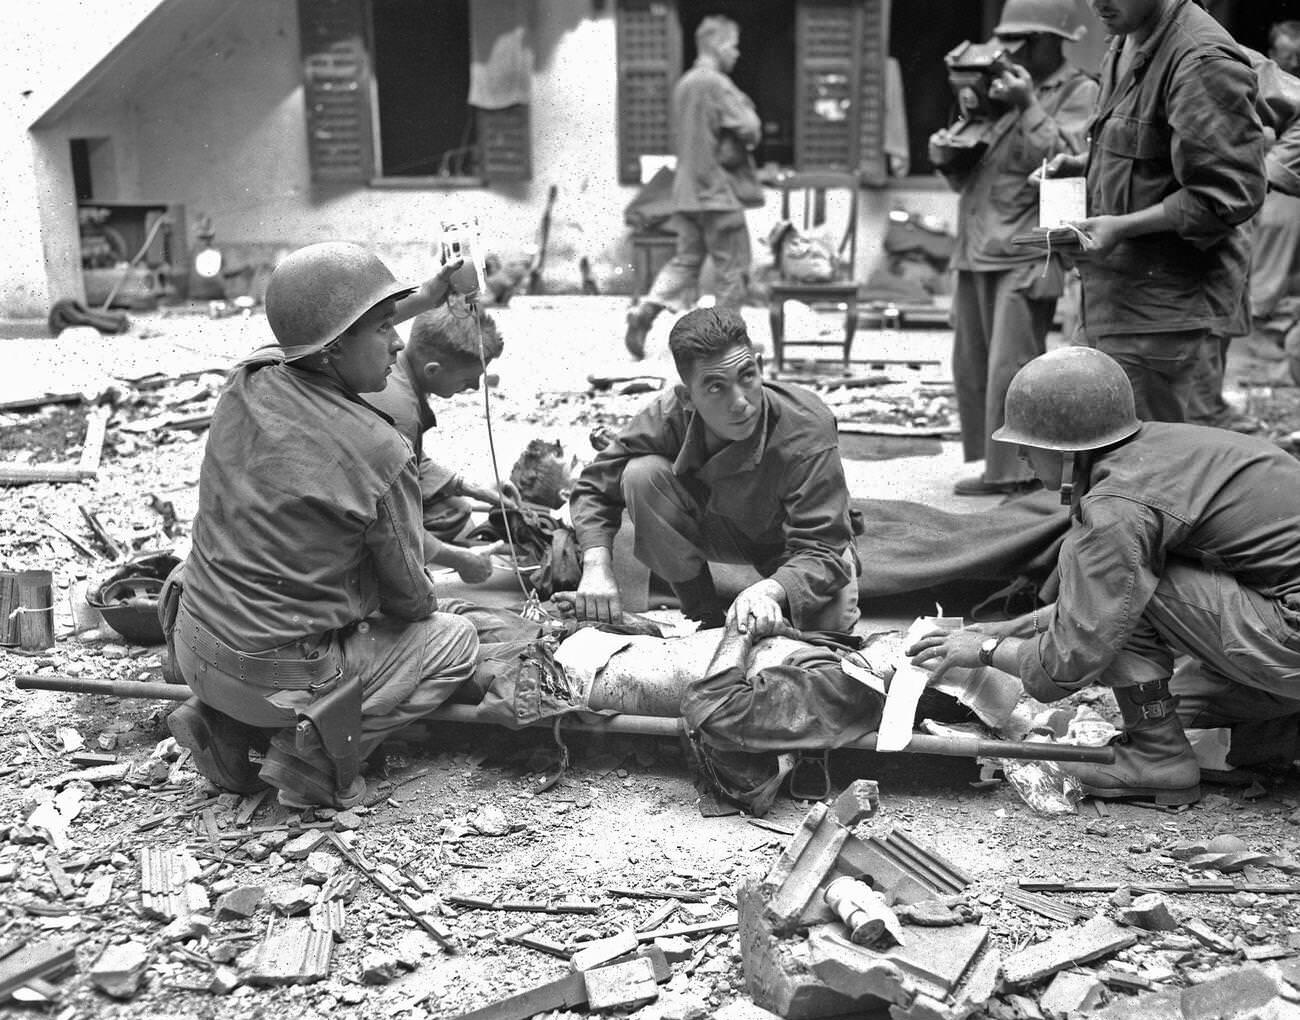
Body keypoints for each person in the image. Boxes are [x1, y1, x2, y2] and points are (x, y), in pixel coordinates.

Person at [907, 347, 1300, 807]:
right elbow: (1100, 597)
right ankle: (1280, 733)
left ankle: (1158, 760)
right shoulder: (1159, 450)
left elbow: (1071, 658)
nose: (1019, 456)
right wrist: (1005, 629)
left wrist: (987, 651)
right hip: (1280, 608)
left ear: (1068, 449)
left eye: (1029, 444)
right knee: (1190, 708)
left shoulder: (1118, 506)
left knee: (1133, 604)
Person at [165, 242, 480, 810]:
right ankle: (309, 759)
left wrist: (427, 297)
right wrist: (446, 595)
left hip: (195, 649)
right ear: (334, 349)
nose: (400, 341)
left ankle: (225, 724)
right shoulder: (382, 449)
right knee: (454, 640)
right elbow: (410, 598)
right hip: (280, 682)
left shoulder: (249, 379)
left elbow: (317, 332)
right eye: (385, 327)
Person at [1040, 0, 1266, 422]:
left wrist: (1121, 228)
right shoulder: (1127, 35)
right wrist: (1086, 169)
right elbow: (1148, 155)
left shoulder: (1200, 61)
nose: (1097, 3)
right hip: (1111, 297)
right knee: (1101, 452)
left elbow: (1226, 197)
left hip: (1159, 318)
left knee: (1148, 469)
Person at [571, 306, 860, 636]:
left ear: (761, 368)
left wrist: (769, 590)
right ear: (687, 397)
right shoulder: (667, 415)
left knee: (827, 637)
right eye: (715, 387)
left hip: (796, 549)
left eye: (747, 376)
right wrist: (596, 566)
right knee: (641, 475)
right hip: (720, 528)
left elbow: (823, 547)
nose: (739, 402)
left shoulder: (807, 425)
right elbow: (595, 485)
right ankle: (703, 615)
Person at [929, 0, 1097, 495]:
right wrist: (946, 154)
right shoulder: (997, 90)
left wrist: (1028, 105)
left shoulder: (1077, 91)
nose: (1004, 54)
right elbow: (970, 176)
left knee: (1012, 368)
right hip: (978, 244)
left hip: (1026, 251)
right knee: (973, 365)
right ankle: (997, 467)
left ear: (1049, 41)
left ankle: (1021, 473)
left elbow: (1070, 163)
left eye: (1019, 43)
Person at [623, 15, 762, 360]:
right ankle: (728, 345)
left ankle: (648, 309)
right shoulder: (717, 84)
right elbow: (750, 128)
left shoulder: (684, 84)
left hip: (686, 193)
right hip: (718, 192)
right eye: (733, 45)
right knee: (732, 269)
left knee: (686, 260)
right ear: (716, 45)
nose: (739, 53)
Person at [366, 303, 518, 583]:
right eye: (468, 379)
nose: (474, 387)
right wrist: (459, 559)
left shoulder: (398, 366)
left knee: (454, 510)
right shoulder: (402, 411)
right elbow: (390, 520)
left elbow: (406, 459)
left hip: (364, 491)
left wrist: (467, 486)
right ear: (433, 370)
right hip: (340, 523)